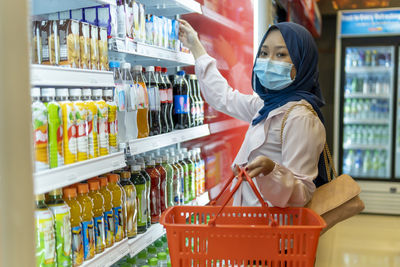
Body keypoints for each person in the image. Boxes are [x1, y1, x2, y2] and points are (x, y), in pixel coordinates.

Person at [179, 20, 328, 207]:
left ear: (302, 63)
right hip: (252, 223)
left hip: (275, 230)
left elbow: (301, 195)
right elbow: (224, 98)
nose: (268, 62)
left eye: (280, 54)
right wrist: (197, 48)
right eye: (264, 53)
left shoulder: (301, 118)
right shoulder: (267, 105)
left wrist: (271, 170)